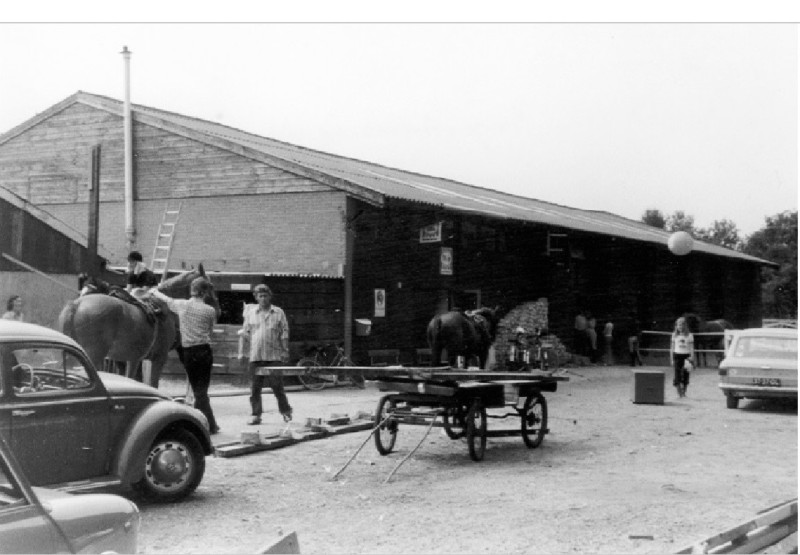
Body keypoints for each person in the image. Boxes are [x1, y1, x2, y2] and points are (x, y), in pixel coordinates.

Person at [152, 277, 221, 434]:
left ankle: (207, 424)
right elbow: (210, 332)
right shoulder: (210, 311)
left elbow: (166, 299)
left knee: (198, 391)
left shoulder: (182, 305)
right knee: (201, 391)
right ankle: (207, 424)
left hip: (189, 352)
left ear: (192, 290)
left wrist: (154, 291)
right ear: (204, 293)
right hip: (204, 351)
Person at [238, 284, 292, 425]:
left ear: (270, 296)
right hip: (255, 356)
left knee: (277, 386)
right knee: (255, 388)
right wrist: (242, 353)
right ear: (256, 297)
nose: (263, 298)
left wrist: (285, 350)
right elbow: (244, 334)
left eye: (265, 295)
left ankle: (286, 412)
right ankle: (256, 414)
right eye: (260, 296)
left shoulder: (278, 312)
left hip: (274, 356)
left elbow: (284, 333)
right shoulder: (250, 313)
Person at [670, 316, 695, 398]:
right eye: (679, 325)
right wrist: (671, 359)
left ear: (685, 326)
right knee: (677, 374)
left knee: (685, 374)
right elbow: (672, 348)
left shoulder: (690, 335)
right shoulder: (674, 335)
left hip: (686, 356)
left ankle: (684, 391)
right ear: (676, 326)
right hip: (677, 355)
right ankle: (679, 392)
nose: (680, 327)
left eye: (682, 325)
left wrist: (692, 357)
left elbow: (691, 348)